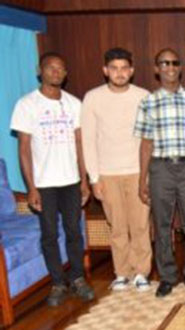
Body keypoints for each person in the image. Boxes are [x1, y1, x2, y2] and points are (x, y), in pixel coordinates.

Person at [10, 52, 95, 306]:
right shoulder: (27, 104)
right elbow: (23, 149)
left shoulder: (74, 104)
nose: (56, 72)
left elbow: (81, 144)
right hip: (44, 185)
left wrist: (84, 181)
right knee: (48, 235)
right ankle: (58, 283)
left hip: (71, 181)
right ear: (40, 71)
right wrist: (31, 188)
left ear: (65, 74)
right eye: (51, 68)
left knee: (74, 233)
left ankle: (78, 278)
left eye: (60, 69)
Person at [134, 48, 185, 297]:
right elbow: (145, 144)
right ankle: (167, 277)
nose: (170, 67)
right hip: (161, 168)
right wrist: (142, 179)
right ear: (156, 69)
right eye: (164, 63)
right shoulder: (148, 102)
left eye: (174, 62)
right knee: (161, 225)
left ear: (180, 67)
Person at [81, 48, 152, 292]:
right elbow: (88, 139)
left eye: (124, 68)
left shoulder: (144, 96)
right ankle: (122, 272)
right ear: (105, 71)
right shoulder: (92, 97)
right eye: (114, 68)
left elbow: (149, 138)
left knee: (140, 225)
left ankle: (142, 272)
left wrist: (147, 175)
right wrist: (94, 178)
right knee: (117, 227)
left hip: (137, 172)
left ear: (131, 71)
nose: (119, 73)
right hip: (107, 174)